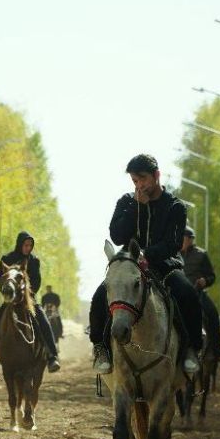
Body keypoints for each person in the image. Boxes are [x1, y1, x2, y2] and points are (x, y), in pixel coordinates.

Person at [87, 154, 202, 375]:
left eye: (143, 179)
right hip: (129, 265)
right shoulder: (126, 202)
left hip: (165, 266)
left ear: (156, 175)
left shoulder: (175, 206)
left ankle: (191, 349)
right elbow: (117, 235)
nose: (140, 185)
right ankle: (101, 348)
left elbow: (173, 243)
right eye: (135, 181)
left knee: (188, 294)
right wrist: (135, 209)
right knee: (101, 293)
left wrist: (146, 255)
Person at [0, 231, 62, 374]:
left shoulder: (34, 261)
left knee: (42, 319)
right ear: (20, 244)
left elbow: (37, 282)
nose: (28, 248)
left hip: (28, 299)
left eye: (30, 245)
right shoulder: (7, 258)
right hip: (10, 299)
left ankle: (52, 356)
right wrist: (8, 287)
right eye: (26, 245)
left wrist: (27, 293)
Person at [181, 227, 220, 357]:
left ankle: (217, 347)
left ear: (190, 239)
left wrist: (205, 281)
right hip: (178, 294)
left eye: (184, 238)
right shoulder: (173, 254)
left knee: (213, 313)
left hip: (198, 293)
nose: (181, 241)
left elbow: (211, 276)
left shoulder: (201, 254)